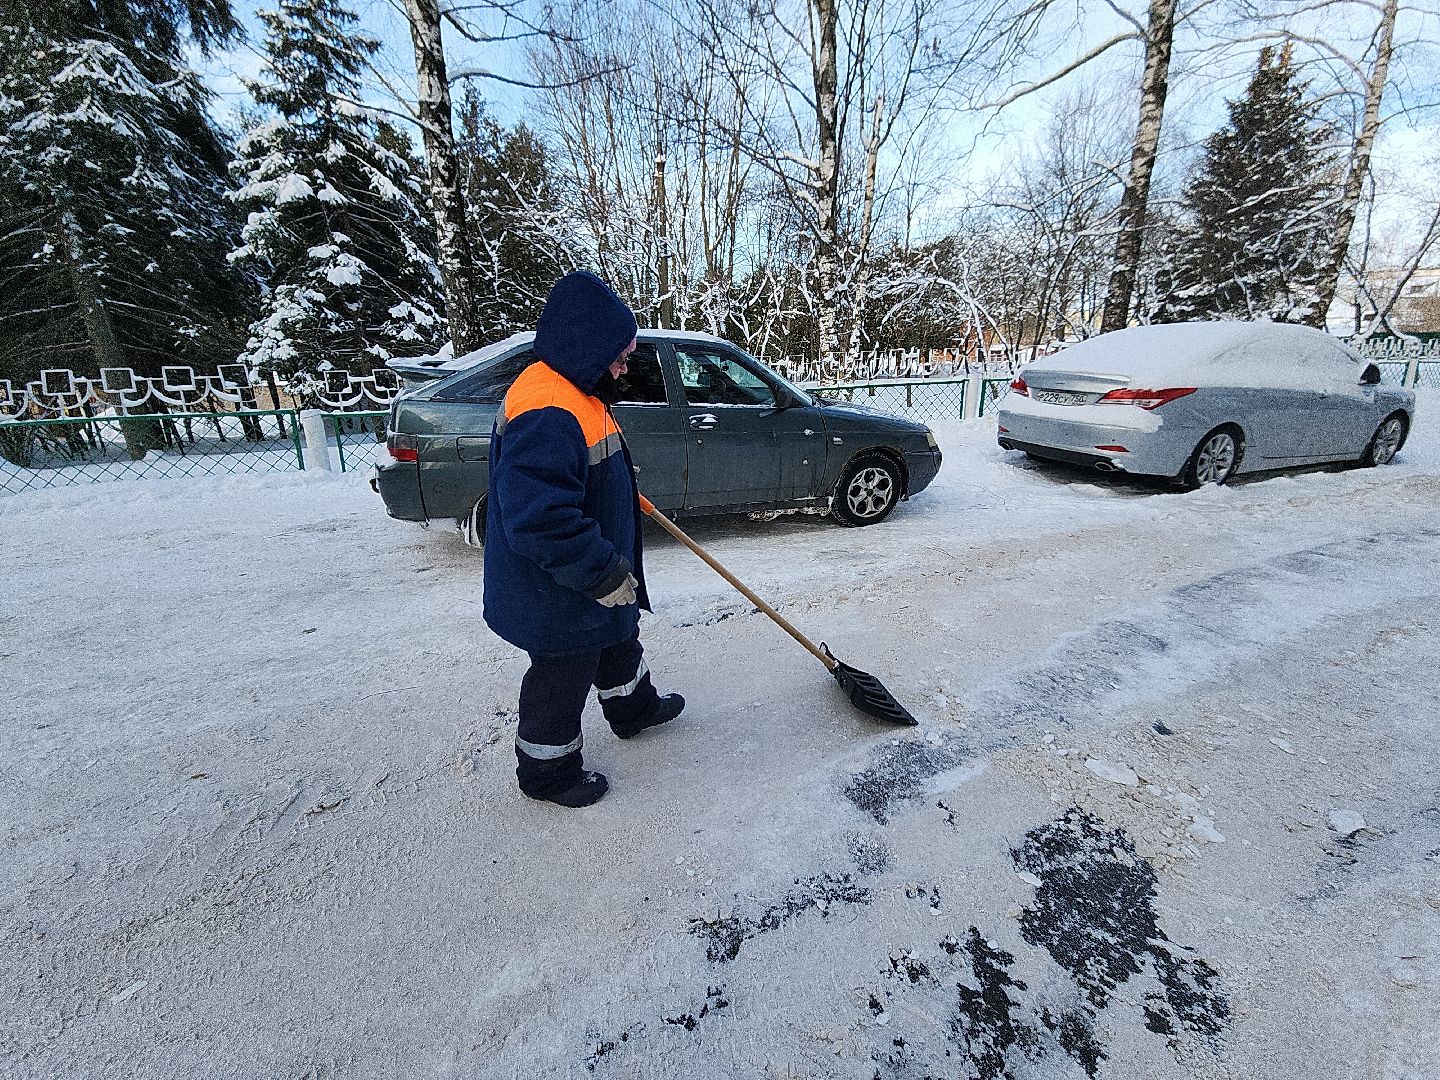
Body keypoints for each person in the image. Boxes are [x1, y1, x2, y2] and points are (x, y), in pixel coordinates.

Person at [482, 271, 685, 807]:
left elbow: (579, 473)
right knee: (561, 675)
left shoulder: (577, 388)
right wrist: (600, 572)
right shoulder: (548, 407)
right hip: (557, 586)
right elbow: (540, 518)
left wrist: (619, 493)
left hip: (589, 572)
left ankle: (633, 709)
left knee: (618, 634)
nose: (625, 364)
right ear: (587, 347)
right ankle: (548, 773)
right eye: (620, 354)